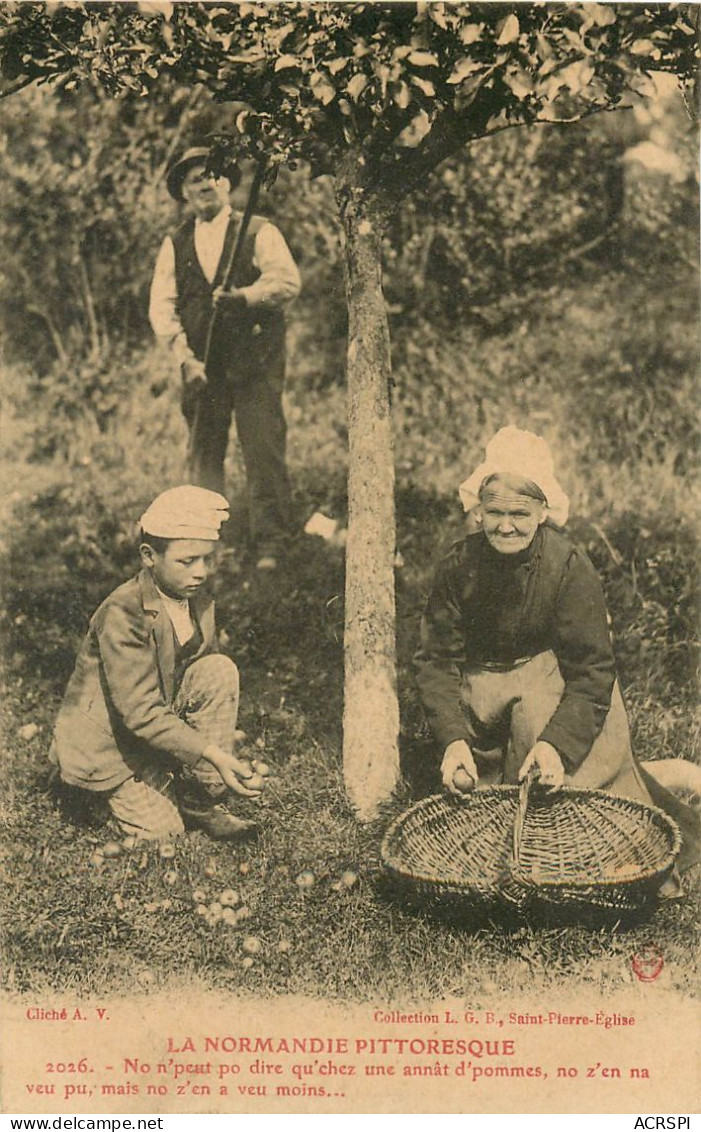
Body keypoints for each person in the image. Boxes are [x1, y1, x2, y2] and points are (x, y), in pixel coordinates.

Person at [414, 426, 700, 879]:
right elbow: (436, 660)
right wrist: (451, 740)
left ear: (543, 512)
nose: (505, 525)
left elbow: (592, 669)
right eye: (494, 512)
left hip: (549, 685)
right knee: (484, 814)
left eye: (520, 513)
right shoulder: (458, 565)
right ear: (477, 511)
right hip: (484, 694)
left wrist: (555, 747)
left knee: (557, 786)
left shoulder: (568, 566)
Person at [49, 486, 262, 842]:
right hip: (110, 741)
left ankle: (199, 796)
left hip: (149, 723)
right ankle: (89, 794)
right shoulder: (124, 612)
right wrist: (211, 753)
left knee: (218, 670)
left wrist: (206, 758)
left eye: (206, 559)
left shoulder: (196, 600)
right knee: (166, 834)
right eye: (187, 561)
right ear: (149, 556)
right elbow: (140, 712)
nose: (201, 572)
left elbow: (181, 673)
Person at [149, 147, 301, 570]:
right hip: (202, 366)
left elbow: (287, 282)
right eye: (193, 179)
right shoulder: (174, 242)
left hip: (255, 363)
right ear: (183, 192)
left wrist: (246, 298)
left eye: (212, 176)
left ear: (229, 183)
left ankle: (272, 543)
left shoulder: (258, 230)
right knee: (204, 453)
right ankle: (206, 544)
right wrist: (185, 359)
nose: (203, 184)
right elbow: (162, 308)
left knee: (262, 448)